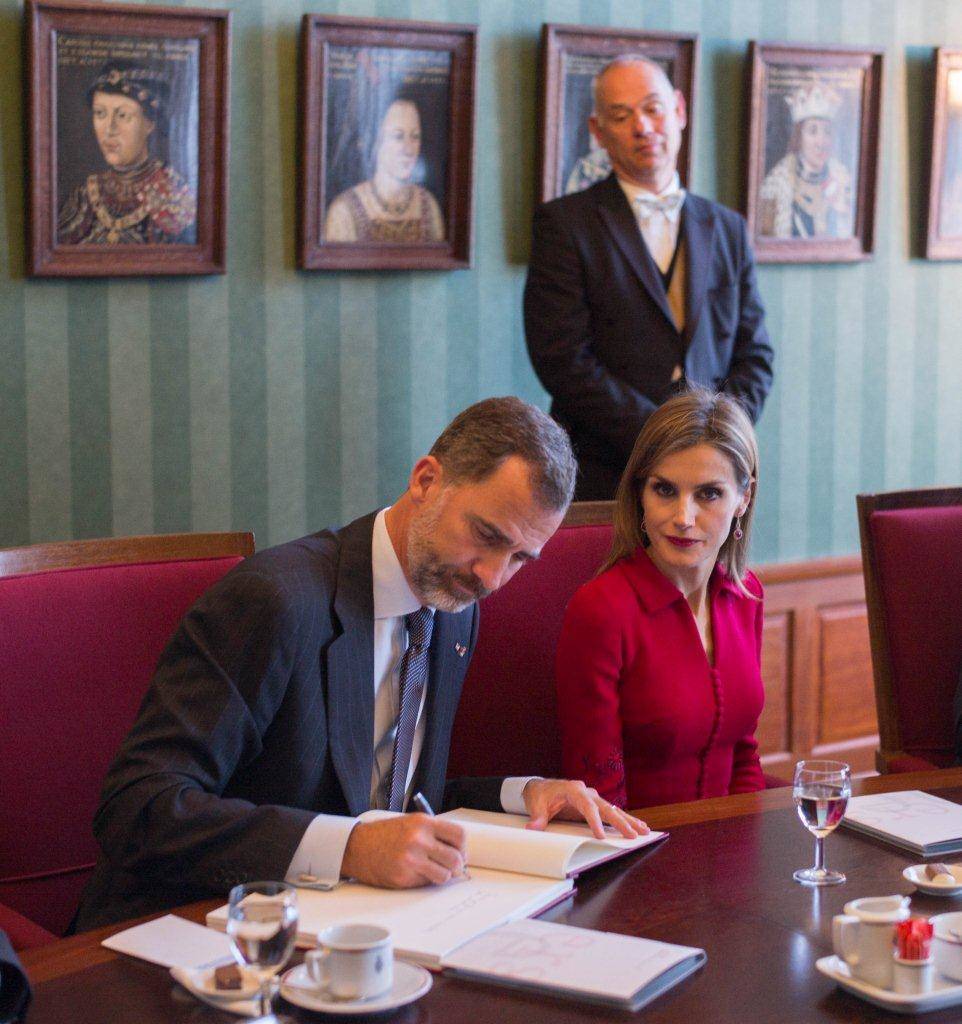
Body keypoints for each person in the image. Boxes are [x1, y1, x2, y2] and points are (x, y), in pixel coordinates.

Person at [74, 397, 647, 931]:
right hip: (190, 930)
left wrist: (524, 795)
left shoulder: (453, 610)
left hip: (345, 929)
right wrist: (347, 849)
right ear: (426, 481)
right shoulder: (276, 601)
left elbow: (384, 798)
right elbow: (138, 806)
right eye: (485, 535)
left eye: (520, 557)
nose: (492, 577)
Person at [524, 55, 774, 501]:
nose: (642, 126)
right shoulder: (564, 225)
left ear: (679, 110)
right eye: (622, 116)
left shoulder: (728, 228)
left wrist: (718, 437)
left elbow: (754, 355)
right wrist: (663, 439)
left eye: (653, 109)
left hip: (712, 479)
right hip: (604, 473)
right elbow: (563, 361)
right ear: (598, 131)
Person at [555, 389, 766, 809]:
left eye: (709, 494)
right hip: (635, 839)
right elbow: (599, 790)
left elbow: (744, 754)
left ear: (743, 498)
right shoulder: (601, 610)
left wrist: (746, 836)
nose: (683, 518)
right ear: (640, 493)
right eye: (665, 490)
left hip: (730, 838)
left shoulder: (747, 594)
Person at [58, 61, 197, 245]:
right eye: (100, 113)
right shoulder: (84, 197)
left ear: (150, 123)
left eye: (123, 115)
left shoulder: (174, 195)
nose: (109, 129)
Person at [324, 98, 444, 243]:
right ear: (373, 141)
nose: (409, 149)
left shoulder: (429, 206)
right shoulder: (344, 211)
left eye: (415, 136)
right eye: (398, 136)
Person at [758, 83, 854, 239]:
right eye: (812, 131)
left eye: (827, 132)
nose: (821, 142)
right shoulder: (777, 184)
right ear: (799, 137)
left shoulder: (843, 181)